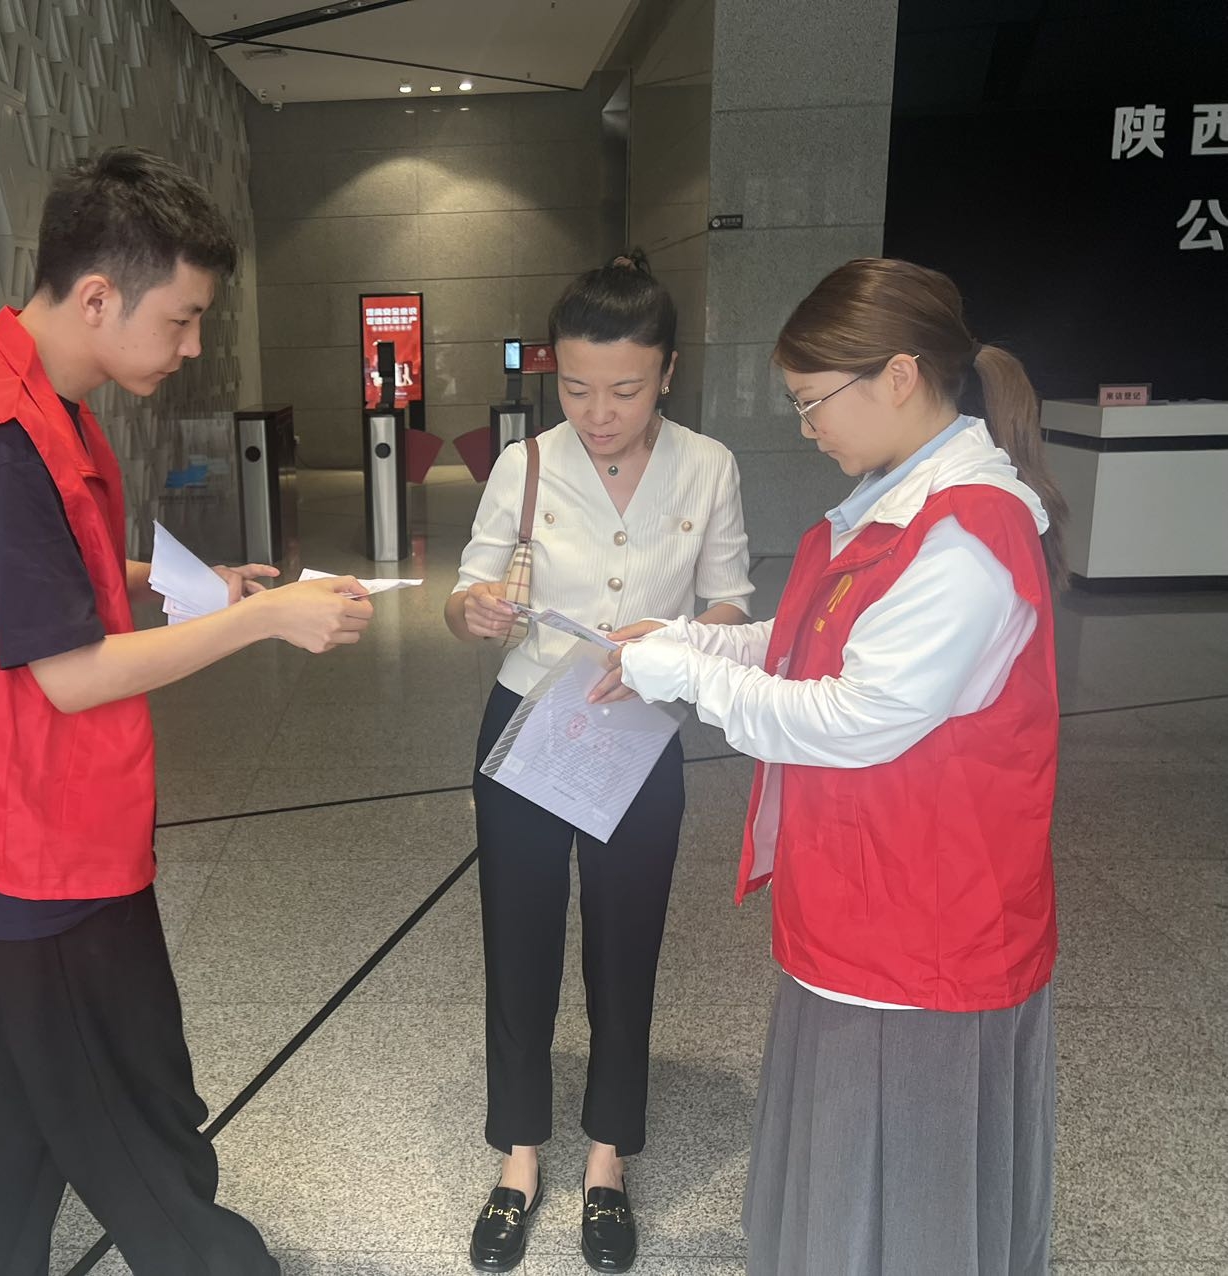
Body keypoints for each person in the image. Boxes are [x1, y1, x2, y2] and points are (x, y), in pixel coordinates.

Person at [0, 147, 374, 1276]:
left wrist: (175, 580)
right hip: (37, 849)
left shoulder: (28, 394)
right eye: (183, 318)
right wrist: (265, 621)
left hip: (0, 832)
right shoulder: (7, 440)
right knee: (139, 1121)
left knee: (6, 1122)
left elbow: (41, 573)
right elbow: (68, 674)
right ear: (100, 296)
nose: (193, 346)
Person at [602, 257, 1066, 1276]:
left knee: (907, 1191)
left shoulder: (967, 534)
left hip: (928, 923)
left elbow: (855, 717)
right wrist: (685, 639)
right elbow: (806, 642)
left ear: (897, 375)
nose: (807, 427)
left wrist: (682, 672)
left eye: (813, 401)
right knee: (849, 1161)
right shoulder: (888, 504)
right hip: (868, 893)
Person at [445, 249, 754, 1273]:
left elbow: (731, 601)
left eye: (624, 388)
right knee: (517, 941)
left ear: (667, 371)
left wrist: (676, 637)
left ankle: (609, 1157)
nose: (598, 412)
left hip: (638, 733)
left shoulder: (707, 465)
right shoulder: (524, 464)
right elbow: (466, 590)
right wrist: (473, 610)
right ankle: (519, 1155)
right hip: (529, 724)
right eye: (575, 387)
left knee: (627, 946)